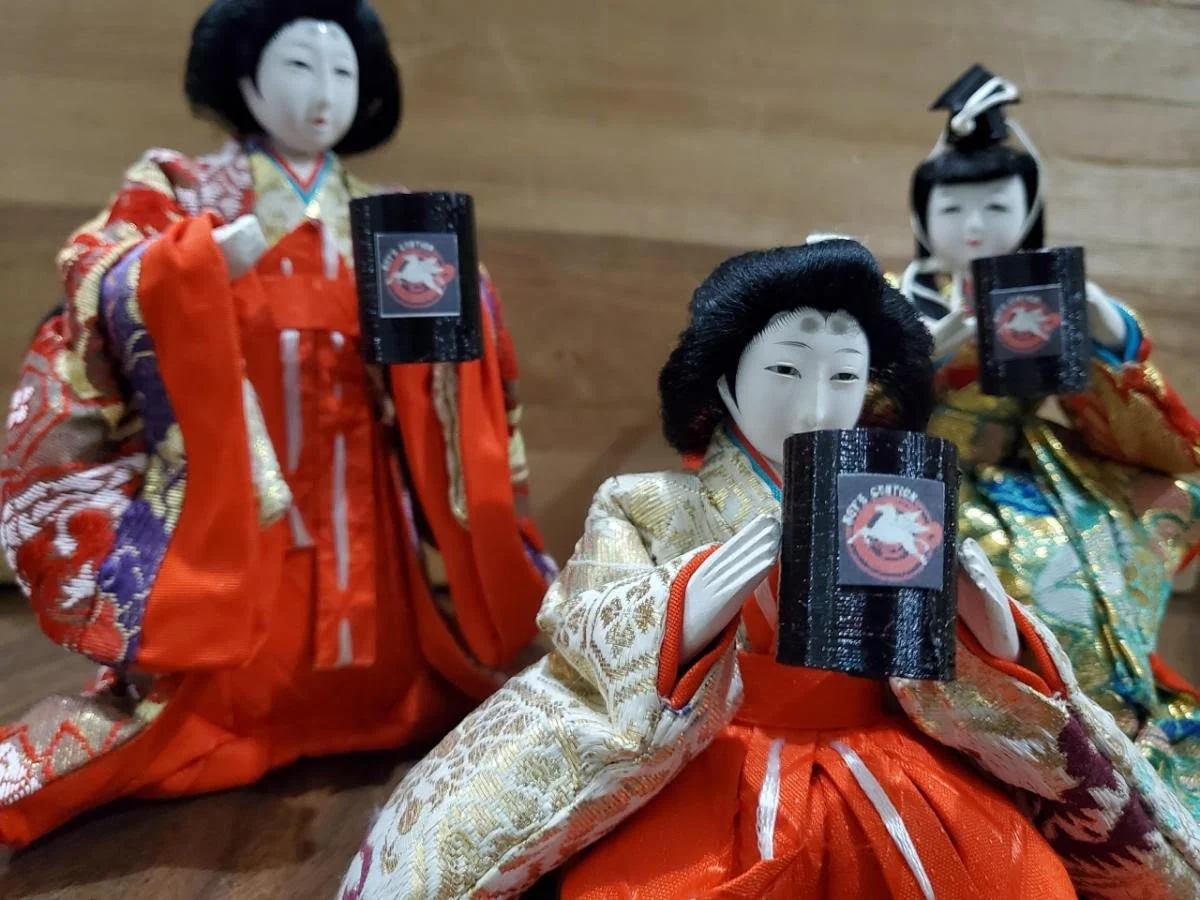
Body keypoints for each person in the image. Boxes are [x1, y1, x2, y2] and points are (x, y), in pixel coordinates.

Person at [340, 240, 1200, 899]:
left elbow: (958, 683)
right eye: (785, 369)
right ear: (724, 380)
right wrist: (687, 605)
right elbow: (584, 624)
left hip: (884, 754)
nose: (817, 402)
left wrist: (988, 631)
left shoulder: (892, 500)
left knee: (1021, 885)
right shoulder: (648, 505)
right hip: (717, 758)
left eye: (846, 375)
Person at [0, 0, 552, 849]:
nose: (324, 91)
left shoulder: (392, 211)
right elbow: (100, 270)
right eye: (299, 65)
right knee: (233, 648)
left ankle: (374, 698)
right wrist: (188, 267)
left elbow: (458, 344)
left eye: (343, 71)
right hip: (242, 461)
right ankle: (236, 713)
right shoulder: (182, 186)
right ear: (245, 78)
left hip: (357, 460)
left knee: (387, 627)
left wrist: (458, 305)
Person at [899, 64, 1200, 816]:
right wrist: (926, 357)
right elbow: (851, 417)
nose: (973, 224)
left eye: (996, 205)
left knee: (1164, 497)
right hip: (921, 478)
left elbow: (1138, 431)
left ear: (1030, 212)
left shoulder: (1043, 294)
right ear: (922, 215)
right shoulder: (894, 301)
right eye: (952, 206)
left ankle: (1107, 699)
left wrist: (1105, 334)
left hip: (1028, 465)